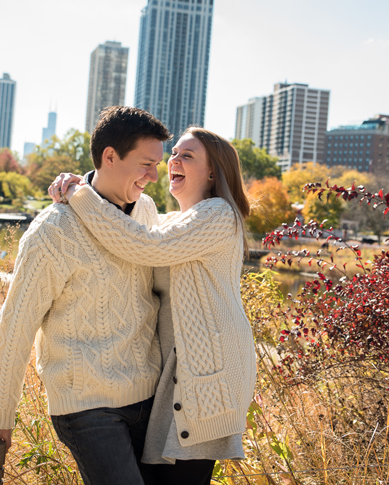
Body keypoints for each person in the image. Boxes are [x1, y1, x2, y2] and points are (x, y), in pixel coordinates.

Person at [0, 106, 172, 485]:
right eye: (146, 164)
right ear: (110, 157)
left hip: (149, 398)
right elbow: (17, 326)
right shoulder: (54, 230)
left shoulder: (146, 210)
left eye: (157, 165)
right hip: (87, 405)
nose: (153, 176)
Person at [53, 127, 258, 485]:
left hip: (210, 376)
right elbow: (130, 225)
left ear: (213, 172)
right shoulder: (175, 223)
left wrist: (80, 194)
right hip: (178, 376)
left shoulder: (218, 215)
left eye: (187, 156)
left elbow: (143, 245)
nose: (173, 160)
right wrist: (85, 183)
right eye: (174, 153)